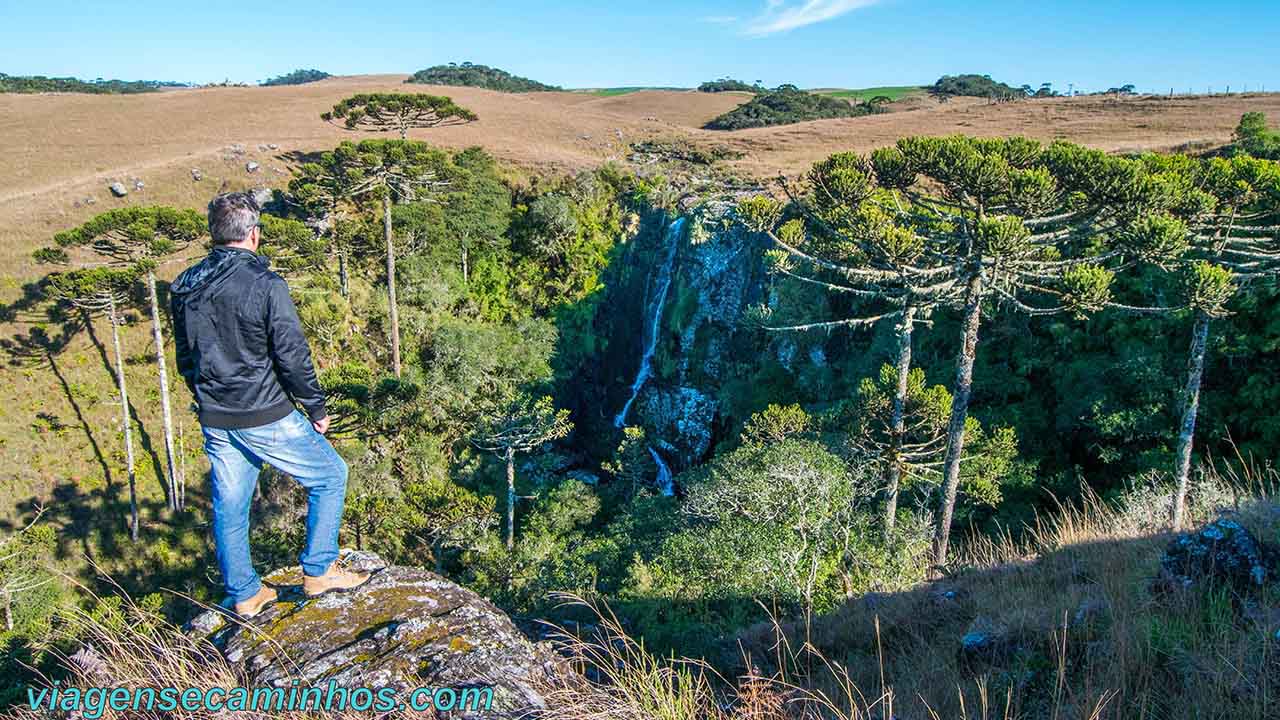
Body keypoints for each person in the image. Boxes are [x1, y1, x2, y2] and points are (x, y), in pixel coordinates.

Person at [171, 191, 369, 618]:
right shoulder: (266, 284)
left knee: (231, 506)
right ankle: (318, 571)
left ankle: (246, 594)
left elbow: (185, 358)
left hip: (216, 414)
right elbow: (292, 355)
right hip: (265, 411)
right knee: (332, 475)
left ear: (213, 234)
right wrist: (316, 408)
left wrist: (207, 396)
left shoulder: (184, 284)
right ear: (255, 235)